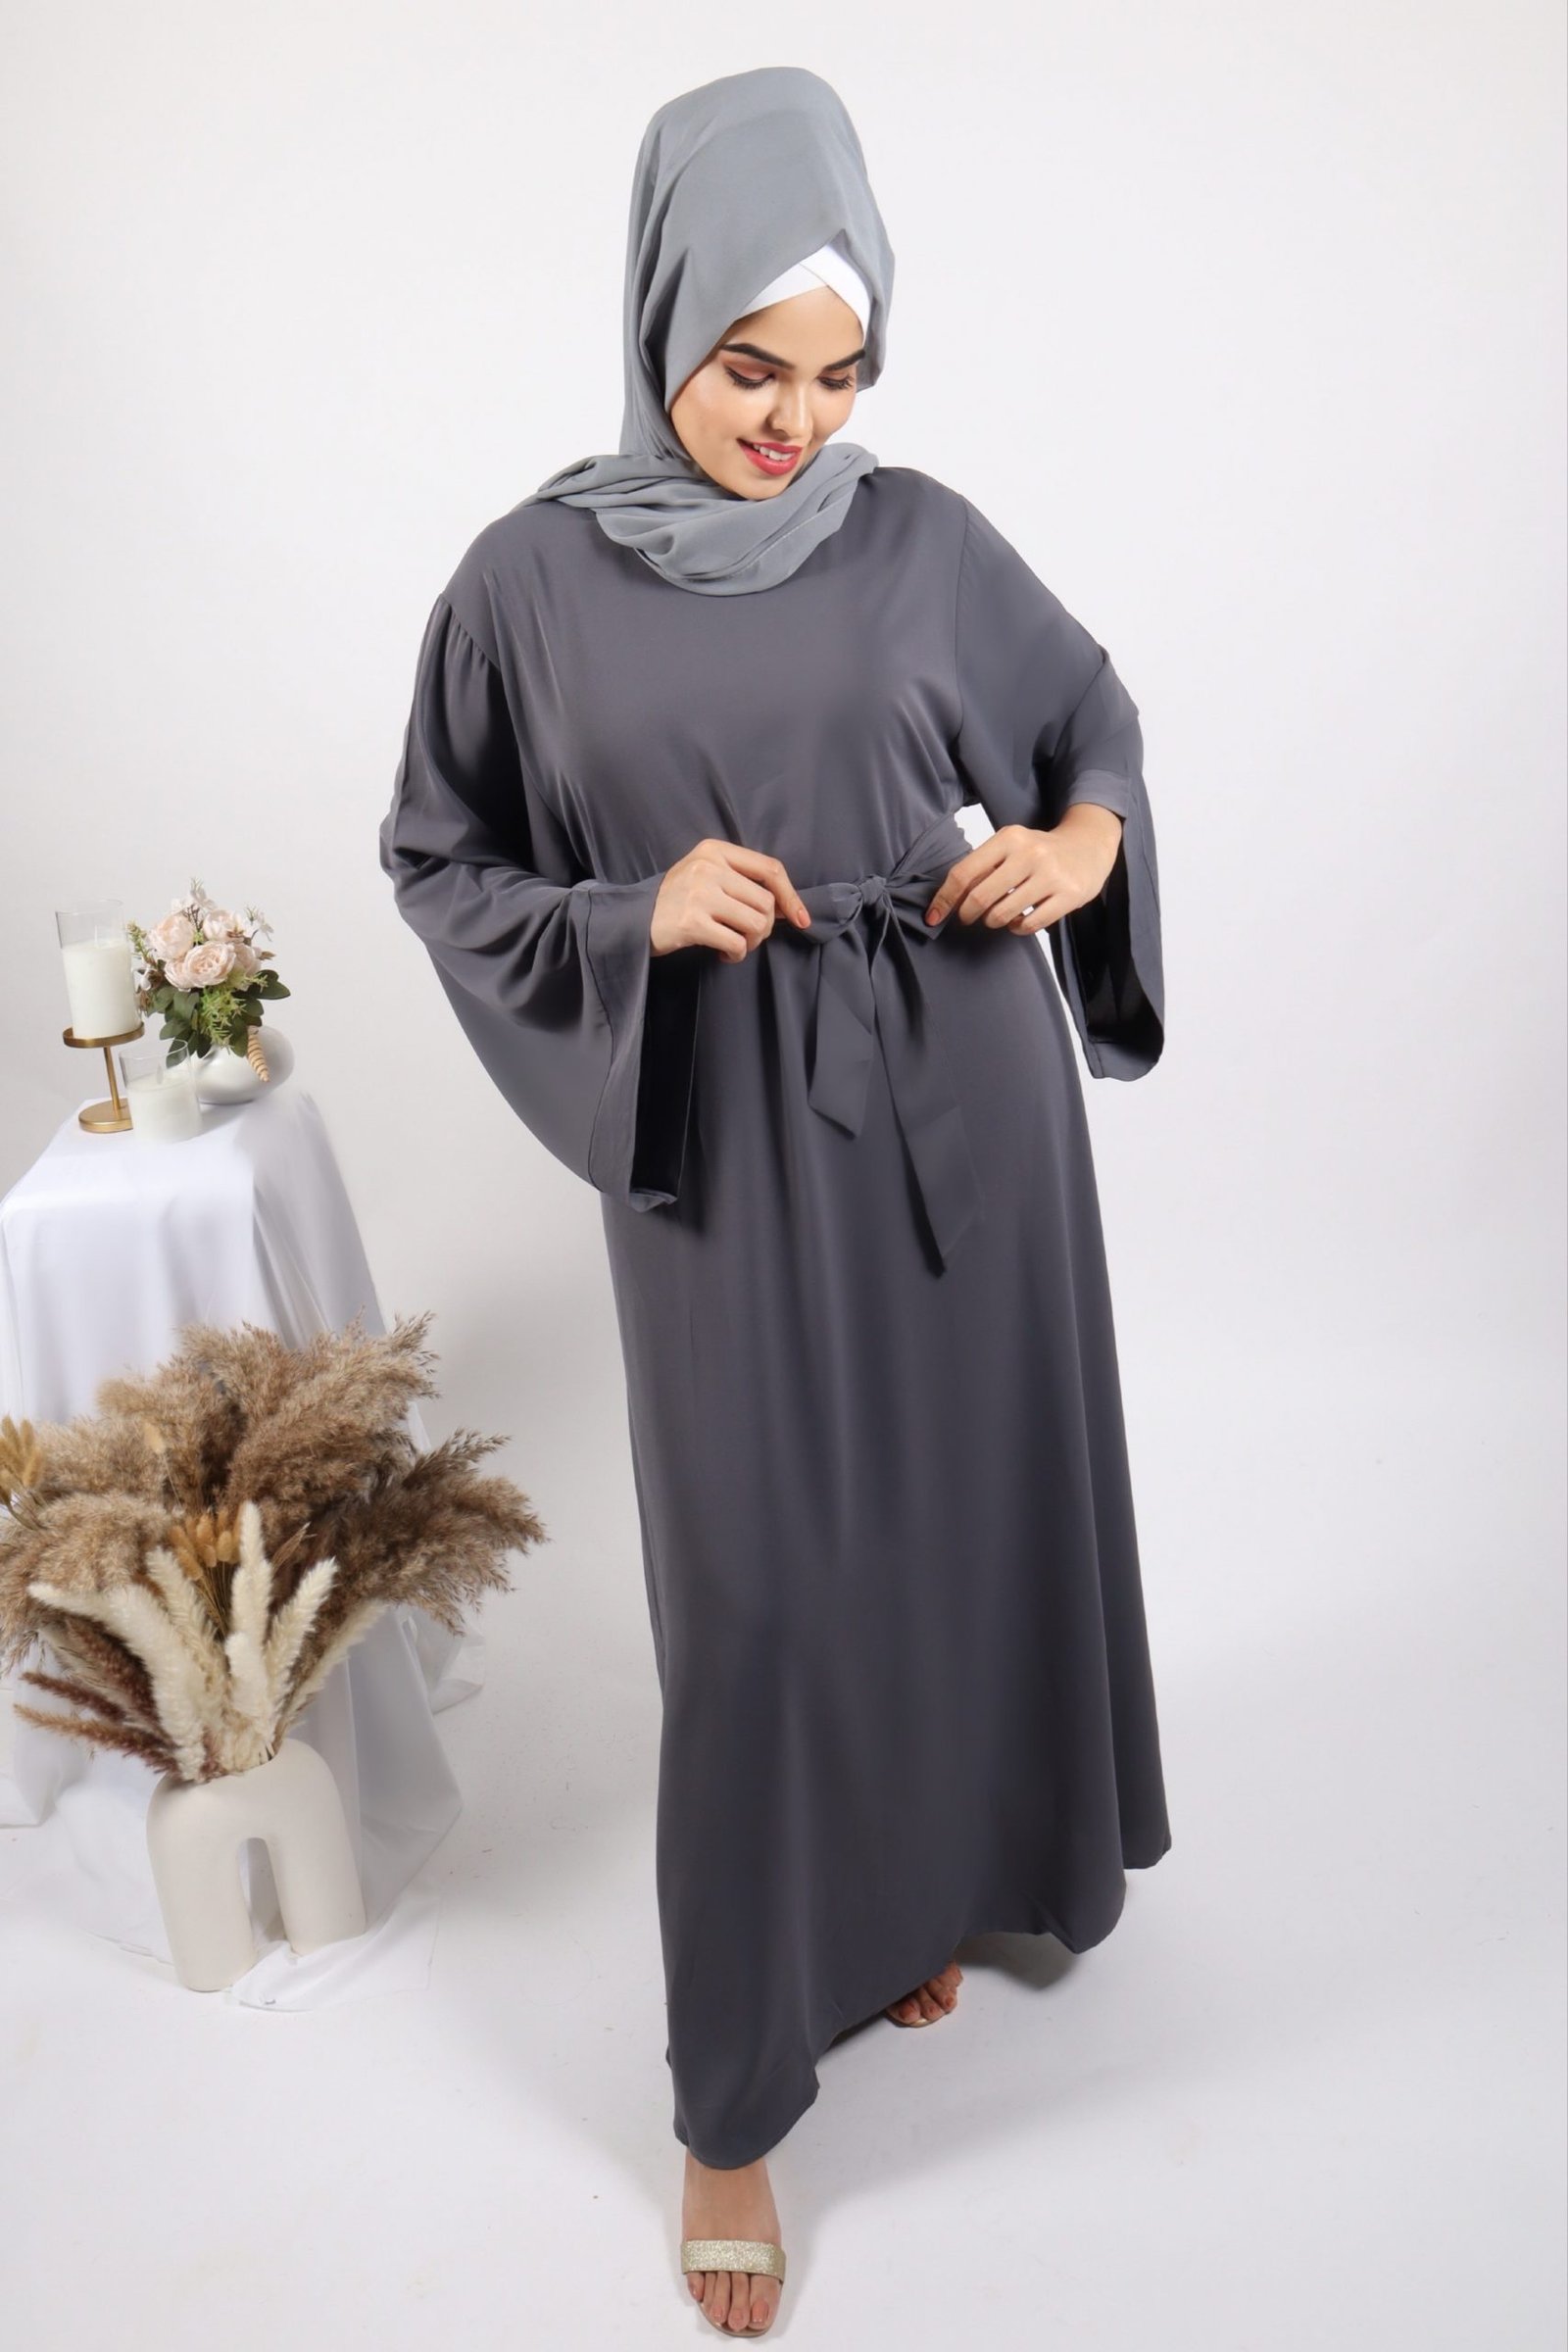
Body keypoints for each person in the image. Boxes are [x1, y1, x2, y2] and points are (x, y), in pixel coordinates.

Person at [379, 64, 1171, 2339]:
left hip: (963, 1095)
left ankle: (909, 1893)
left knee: (954, 1519)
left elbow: (1088, 723)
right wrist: (632, 914)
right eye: (747, 367)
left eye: (836, 376)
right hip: (722, 1126)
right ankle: (728, 2108)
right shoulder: (525, 584)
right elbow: (438, 857)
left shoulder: (916, 534)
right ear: (659, 315)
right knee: (758, 1593)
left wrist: (1073, 850)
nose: (790, 423)